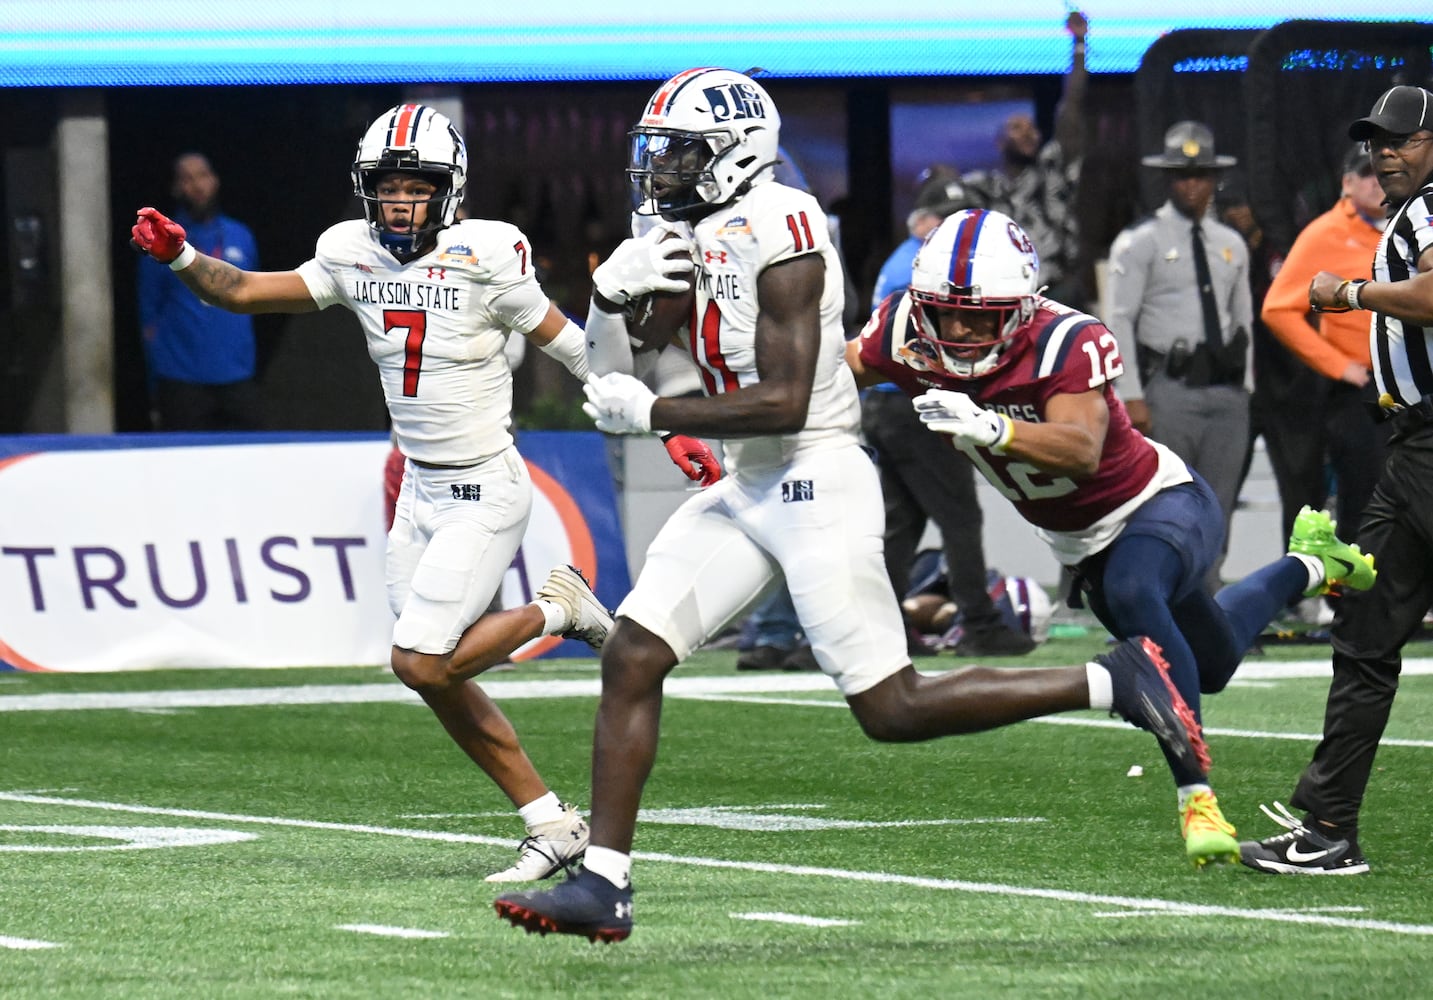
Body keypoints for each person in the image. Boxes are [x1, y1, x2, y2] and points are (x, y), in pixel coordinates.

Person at [494, 66, 1211, 944]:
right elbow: (617, 370)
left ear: (735, 152)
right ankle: (605, 882)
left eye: (682, 152)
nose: (663, 169)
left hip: (814, 476)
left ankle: (1112, 679)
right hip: (745, 481)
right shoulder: (675, 228)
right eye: (661, 151)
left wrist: (658, 412)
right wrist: (608, 296)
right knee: (633, 655)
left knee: (891, 708)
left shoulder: (784, 225)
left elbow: (786, 398)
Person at [130, 103, 709, 884]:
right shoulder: (348, 250)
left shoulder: (487, 254)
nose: (400, 202)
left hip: (485, 489)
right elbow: (240, 290)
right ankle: (550, 821)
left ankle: (558, 608)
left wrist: (663, 420)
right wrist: (180, 258)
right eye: (387, 186)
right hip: (419, 494)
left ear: (452, 189)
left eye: (417, 185)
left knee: (419, 662)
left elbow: (572, 344)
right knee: (436, 679)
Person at [846, 207, 1376, 869]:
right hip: (1078, 540)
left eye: (978, 314)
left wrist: (990, 429)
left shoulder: (1064, 339)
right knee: (1208, 663)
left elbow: (1080, 449)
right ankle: (1307, 565)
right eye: (943, 310)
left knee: (1134, 595)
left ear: (1017, 308)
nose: (956, 327)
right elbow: (831, 379)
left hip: (1158, 502)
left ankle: (1196, 799)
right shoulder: (902, 329)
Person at [1240, 85, 1433, 876]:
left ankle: (1326, 826)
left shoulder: (1424, 211)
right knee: (1362, 631)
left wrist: (1346, 292)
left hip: (1427, 448)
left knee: (1364, 635)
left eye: (1402, 139)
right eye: (1374, 141)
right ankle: (1325, 825)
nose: (1383, 151)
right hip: (1411, 447)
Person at [864, 171, 1034, 657]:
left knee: (902, 523)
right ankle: (979, 623)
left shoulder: (903, 261)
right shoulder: (923, 273)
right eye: (944, 222)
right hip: (915, 401)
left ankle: (882, 625)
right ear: (922, 222)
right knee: (960, 516)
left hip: (887, 402)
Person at [1106, 121, 1253, 593]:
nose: (1193, 185)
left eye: (1202, 175)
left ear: (1214, 180)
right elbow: (1119, 319)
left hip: (1226, 390)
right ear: (1169, 180)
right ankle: (1161, 605)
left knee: (1221, 503)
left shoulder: (1230, 243)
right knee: (1166, 502)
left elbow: (1243, 320)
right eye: (1184, 176)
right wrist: (1130, 395)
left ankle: (1208, 607)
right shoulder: (1140, 241)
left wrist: (1246, 386)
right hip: (1169, 388)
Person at [1260, 143, 1389, 545]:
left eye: (1382, 172)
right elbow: (1277, 309)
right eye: (1366, 173)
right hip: (1362, 390)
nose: (1376, 182)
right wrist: (1340, 366)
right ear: (1347, 183)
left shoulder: (1414, 226)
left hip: (1415, 383)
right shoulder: (1326, 233)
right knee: (1365, 502)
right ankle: (1355, 604)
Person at [960, 8, 1088, 307]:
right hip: (1007, 295)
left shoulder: (1053, 169)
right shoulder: (987, 187)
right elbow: (943, 190)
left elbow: (1072, 107)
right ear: (1000, 141)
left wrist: (1079, 47)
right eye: (1017, 128)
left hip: (1059, 290)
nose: (1029, 133)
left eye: (1032, 128)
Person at [136, 152, 264, 430]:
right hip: (182, 380)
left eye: (203, 176)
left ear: (215, 181)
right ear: (175, 188)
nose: (197, 185)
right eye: (187, 178)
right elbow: (148, 311)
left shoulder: (241, 236)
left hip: (237, 376)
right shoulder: (160, 242)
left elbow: (254, 295)